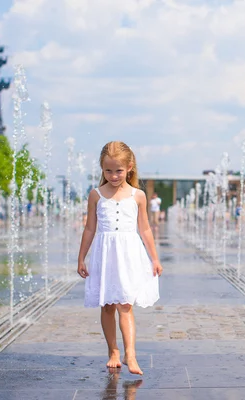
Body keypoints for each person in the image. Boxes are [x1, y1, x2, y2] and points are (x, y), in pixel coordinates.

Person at [77, 141, 162, 376]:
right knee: (107, 305)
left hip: (128, 255)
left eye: (118, 170)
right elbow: (89, 229)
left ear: (130, 168)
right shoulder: (96, 195)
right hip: (104, 255)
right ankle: (113, 351)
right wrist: (81, 258)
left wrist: (154, 259)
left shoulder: (138, 196)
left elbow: (145, 229)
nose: (113, 176)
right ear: (101, 169)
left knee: (125, 304)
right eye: (108, 170)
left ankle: (131, 354)